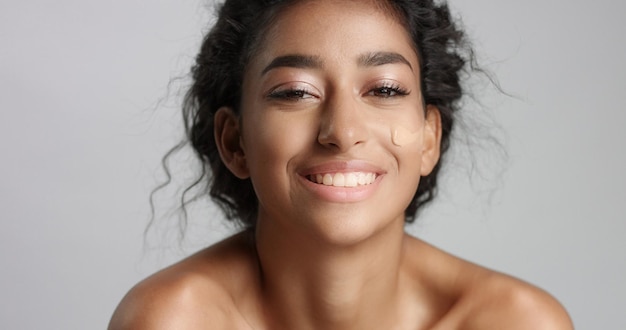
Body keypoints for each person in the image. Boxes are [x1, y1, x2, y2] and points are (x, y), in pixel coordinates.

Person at [109, 0, 573, 328]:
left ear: (430, 137)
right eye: (295, 92)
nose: (343, 130)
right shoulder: (173, 321)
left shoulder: (515, 322)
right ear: (235, 142)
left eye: (385, 90)